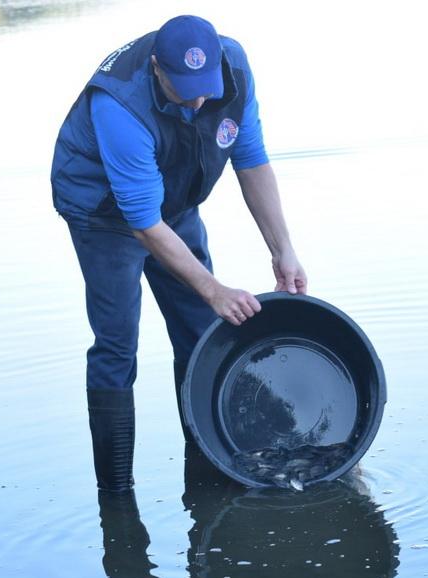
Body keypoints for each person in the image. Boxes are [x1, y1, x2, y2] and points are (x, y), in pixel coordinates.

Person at [50, 15, 307, 493]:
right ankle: (117, 492)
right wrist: (213, 289)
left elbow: (251, 161)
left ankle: (208, 465)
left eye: (204, 87)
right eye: (184, 89)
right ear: (155, 68)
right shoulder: (119, 106)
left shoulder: (233, 71)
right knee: (118, 344)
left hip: (172, 197)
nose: (197, 101)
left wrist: (283, 250)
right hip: (103, 212)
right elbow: (144, 224)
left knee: (201, 333)